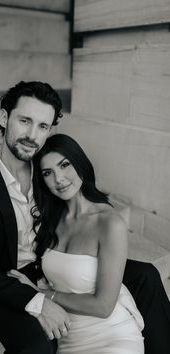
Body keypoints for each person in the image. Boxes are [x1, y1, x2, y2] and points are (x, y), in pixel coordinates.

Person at [0, 81, 170, 354]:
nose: (32, 135)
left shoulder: (46, 169)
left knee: (146, 275)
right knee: (36, 348)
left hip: (50, 262)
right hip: (5, 279)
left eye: (42, 126)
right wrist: (38, 301)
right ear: (4, 118)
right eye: (25, 121)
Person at [8, 133, 145, 354]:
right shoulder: (50, 219)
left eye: (65, 165)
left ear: (80, 163)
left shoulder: (109, 223)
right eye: (48, 173)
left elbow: (103, 306)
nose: (59, 179)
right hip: (69, 340)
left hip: (112, 337)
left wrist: (38, 295)